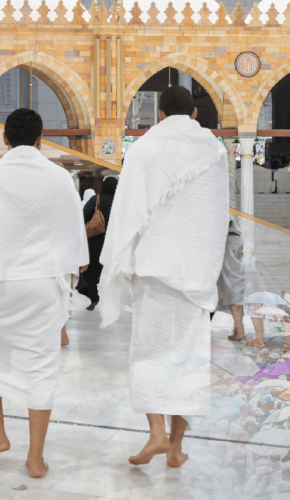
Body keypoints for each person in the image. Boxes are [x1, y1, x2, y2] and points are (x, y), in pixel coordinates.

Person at [98, 86, 229, 467]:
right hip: (195, 271)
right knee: (187, 358)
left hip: (155, 267)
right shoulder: (215, 150)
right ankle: (175, 447)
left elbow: (129, 211)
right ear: (194, 114)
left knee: (150, 352)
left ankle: (156, 433)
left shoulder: (145, 148)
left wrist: (118, 260)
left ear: (159, 115)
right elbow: (215, 213)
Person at [0, 109, 88, 478]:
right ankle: (35, 457)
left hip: (3, 282)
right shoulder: (60, 177)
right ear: (41, 138)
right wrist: (69, 270)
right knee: (41, 368)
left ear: (5, 139)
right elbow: (74, 235)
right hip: (44, 284)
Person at [77, 176, 117, 310]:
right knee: (111, 271)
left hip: (95, 241)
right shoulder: (122, 203)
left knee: (92, 271)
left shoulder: (96, 199)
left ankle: (94, 298)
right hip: (114, 242)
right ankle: (111, 300)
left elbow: (83, 217)